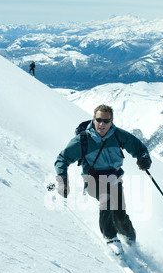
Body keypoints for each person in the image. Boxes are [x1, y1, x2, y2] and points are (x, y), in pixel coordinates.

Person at [54, 104, 152, 253]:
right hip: (92, 178)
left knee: (120, 215)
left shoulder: (118, 135)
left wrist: (143, 158)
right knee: (107, 199)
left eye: (106, 121)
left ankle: (132, 243)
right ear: (93, 119)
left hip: (114, 179)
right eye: (99, 120)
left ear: (111, 121)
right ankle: (110, 238)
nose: (102, 124)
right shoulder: (83, 140)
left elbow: (138, 147)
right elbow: (62, 159)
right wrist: (63, 181)